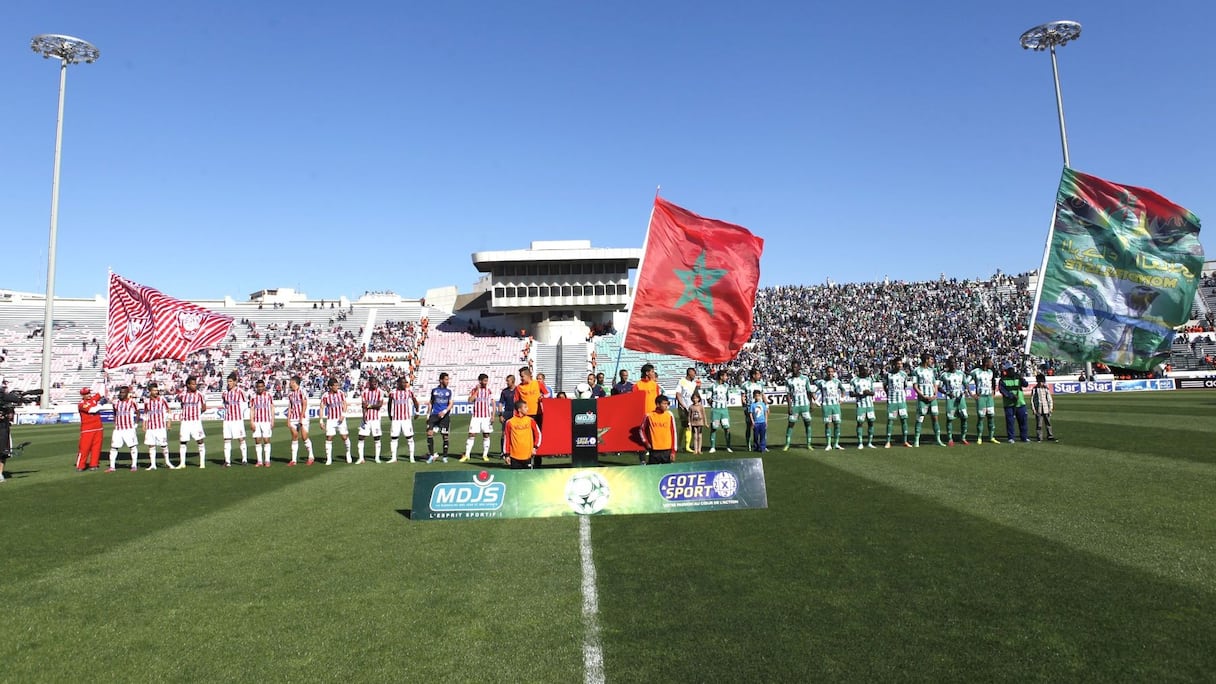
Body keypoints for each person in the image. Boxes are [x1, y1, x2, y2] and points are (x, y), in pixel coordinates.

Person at [912, 353, 944, 448]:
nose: (932, 361)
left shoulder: (931, 370)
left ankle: (938, 439)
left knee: (935, 417)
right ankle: (916, 440)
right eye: (931, 359)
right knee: (920, 418)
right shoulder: (916, 370)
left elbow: (934, 383)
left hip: (932, 398)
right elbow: (915, 385)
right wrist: (922, 395)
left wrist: (935, 394)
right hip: (923, 399)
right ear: (926, 360)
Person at [106, 385, 140, 472]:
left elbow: (138, 412)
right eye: (120, 392)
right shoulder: (115, 402)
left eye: (123, 392)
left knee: (132, 447)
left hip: (128, 428)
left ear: (127, 393)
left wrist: (136, 423)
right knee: (114, 447)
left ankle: (134, 465)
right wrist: (115, 422)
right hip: (118, 429)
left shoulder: (132, 402)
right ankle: (112, 466)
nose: (121, 394)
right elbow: (114, 413)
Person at [463, 373, 495, 462]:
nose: (486, 382)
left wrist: (493, 416)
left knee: (486, 434)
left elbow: (493, 403)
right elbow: (470, 401)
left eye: (487, 381)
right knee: (471, 434)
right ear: (480, 381)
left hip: (486, 417)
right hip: (476, 416)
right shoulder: (474, 390)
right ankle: (467, 455)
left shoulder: (489, 390)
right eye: (484, 381)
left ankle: (485, 455)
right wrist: (477, 391)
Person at [177, 376, 208, 469]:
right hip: (185, 422)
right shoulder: (182, 395)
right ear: (188, 385)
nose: (195, 386)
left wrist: (197, 414)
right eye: (193, 384)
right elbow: (182, 405)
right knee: (183, 441)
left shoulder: (199, 394)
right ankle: (182, 463)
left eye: (195, 384)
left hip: (195, 421)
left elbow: (204, 407)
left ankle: (202, 463)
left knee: (200, 440)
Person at [388, 376, 420, 463]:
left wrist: (417, 412)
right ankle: (394, 457)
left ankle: (411, 457)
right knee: (394, 438)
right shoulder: (393, 392)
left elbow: (415, 401)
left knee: (409, 437)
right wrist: (389, 414)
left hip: (406, 419)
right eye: (403, 382)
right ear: (398, 383)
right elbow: (389, 403)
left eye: (405, 382)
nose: (405, 384)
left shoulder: (409, 392)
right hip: (396, 419)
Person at [784, 362, 815, 451]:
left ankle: (809, 444)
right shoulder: (789, 380)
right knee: (790, 424)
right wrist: (789, 407)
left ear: (799, 368)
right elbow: (788, 395)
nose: (794, 369)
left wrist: (811, 403)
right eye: (793, 367)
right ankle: (787, 444)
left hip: (805, 405)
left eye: (796, 367)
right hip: (795, 406)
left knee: (807, 424)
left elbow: (809, 391)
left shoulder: (805, 378)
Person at [938, 357, 969, 446]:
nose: (953, 364)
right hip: (950, 399)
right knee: (950, 419)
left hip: (960, 399)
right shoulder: (944, 375)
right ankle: (950, 439)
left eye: (954, 362)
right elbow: (939, 387)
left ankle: (963, 438)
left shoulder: (961, 374)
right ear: (948, 364)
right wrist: (947, 393)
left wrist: (964, 391)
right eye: (951, 363)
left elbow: (966, 384)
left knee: (964, 417)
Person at [968, 358, 999, 445]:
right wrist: (971, 393)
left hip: (989, 397)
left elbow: (993, 381)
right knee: (981, 417)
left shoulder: (991, 372)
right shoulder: (975, 372)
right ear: (985, 363)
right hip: (981, 397)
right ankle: (979, 437)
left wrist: (993, 390)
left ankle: (991, 437)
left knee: (991, 416)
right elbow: (966, 382)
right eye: (990, 362)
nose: (992, 364)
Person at [285, 375, 315, 465]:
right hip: (293, 417)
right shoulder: (290, 394)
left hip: (302, 417)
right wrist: (288, 419)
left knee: (304, 437)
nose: (289, 383)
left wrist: (301, 417)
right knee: (294, 436)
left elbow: (304, 404)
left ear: (294, 382)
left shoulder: (302, 391)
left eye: (291, 381)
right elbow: (290, 407)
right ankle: (293, 460)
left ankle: (311, 456)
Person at [321, 377, 351, 465]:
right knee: (329, 438)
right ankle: (329, 458)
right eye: (335, 385)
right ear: (330, 387)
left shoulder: (340, 393)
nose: (337, 387)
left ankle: (348, 453)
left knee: (344, 437)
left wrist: (343, 414)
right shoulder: (325, 396)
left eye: (337, 385)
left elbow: (345, 404)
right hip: (331, 419)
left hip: (340, 419)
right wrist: (321, 421)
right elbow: (321, 408)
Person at [504, 400, 542, 469]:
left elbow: (538, 434)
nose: (527, 409)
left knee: (528, 478)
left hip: (528, 455)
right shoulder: (510, 422)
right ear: (519, 409)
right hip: (514, 456)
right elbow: (507, 439)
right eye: (525, 407)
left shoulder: (530, 420)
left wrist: (535, 447)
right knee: (515, 478)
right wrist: (507, 455)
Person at [221, 373, 249, 466]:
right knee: (227, 439)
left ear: (235, 382)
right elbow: (225, 405)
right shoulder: (225, 393)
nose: (229, 383)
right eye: (228, 381)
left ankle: (244, 460)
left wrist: (241, 414)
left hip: (237, 419)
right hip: (227, 420)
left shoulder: (240, 392)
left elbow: (245, 403)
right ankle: (227, 461)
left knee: (241, 439)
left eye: (230, 381)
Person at [142, 382, 171, 470]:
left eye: (157, 390)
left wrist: (168, 422)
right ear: (150, 391)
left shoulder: (162, 399)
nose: (156, 392)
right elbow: (146, 413)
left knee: (164, 445)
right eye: (154, 390)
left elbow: (168, 410)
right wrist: (144, 424)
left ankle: (167, 462)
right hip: (150, 427)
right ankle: (153, 464)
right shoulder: (147, 401)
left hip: (160, 427)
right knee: (151, 445)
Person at [425, 372, 454, 463]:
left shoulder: (449, 392)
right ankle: (431, 455)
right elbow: (431, 403)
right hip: (434, 415)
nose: (447, 381)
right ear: (441, 380)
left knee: (445, 436)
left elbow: (451, 404)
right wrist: (428, 415)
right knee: (429, 433)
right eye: (446, 379)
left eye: (448, 379)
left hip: (444, 417)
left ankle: (445, 456)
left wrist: (444, 411)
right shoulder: (434, 390)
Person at [999, 361, 1030, 443]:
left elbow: (1025, 384)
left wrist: (1022, 378)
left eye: (1012, 369)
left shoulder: (1018, 377)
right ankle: (1011, 437)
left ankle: (1024, 437)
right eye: (1009, 370)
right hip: (1009, 404)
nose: (1011, 371)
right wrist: (1012, 396)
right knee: (1010, 422)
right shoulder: (1002, 380)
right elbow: (1003, 391)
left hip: (1020, 403)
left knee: (1023, 421)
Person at [883, 360, 911, 448]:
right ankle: (888, 441)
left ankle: (905, 441)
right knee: (890, 420)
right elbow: (884, 386)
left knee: (904, 419)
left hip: (902, 401)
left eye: (901, 364)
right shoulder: (888, 374)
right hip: (892, 401)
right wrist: (889, 393)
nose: (900, 365)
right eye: (898, 364)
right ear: (894, 364)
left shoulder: (904, 374)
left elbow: (905, 386)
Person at [641, 394, 677, 464]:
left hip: (667, 449)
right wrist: (646, 442)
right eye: (664, 403)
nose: (666, 405)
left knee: (667, 471)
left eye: (667, 403)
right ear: (658, 404)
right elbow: (641, 430)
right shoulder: (649, 415)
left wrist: (673, 451)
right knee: (652, 472)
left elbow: (674, 433)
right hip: (654, 450)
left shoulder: (669, 415)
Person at [815, 366, 845, 450]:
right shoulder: (821, 382)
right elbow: (813, 391)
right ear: (826, 372)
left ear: (834, 372)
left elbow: (843, 390)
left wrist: (842, 398)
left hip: (836, 405)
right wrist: (816, 401)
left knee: (837, 424)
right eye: (828, 371)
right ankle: (828, 444)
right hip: (826, 405)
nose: (830, 373)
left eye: (831, 371)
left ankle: (836, 444)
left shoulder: (837, 381)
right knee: (828, 424)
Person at [357, 377, 385, 464]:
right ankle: (361, 458)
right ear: (369, 383)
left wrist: (369, 406)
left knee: (377, 437)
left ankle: (377, 458)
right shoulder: (365, 392)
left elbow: (379, 405)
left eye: (376, 383)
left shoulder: (380, 392)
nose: (374, 384)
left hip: (376, 419)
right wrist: (364, 415)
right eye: (373, 383)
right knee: (361, 437)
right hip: (367, 418)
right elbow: (363, 405)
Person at [76, 388, 104, 471]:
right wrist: (101, 404)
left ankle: (94, 464)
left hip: (98, 427)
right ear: (82, 395)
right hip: (87, 429)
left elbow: (101, 393)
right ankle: (81, 465)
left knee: (96, 447)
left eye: (89, 393)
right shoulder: (81, 404)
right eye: (86, 394)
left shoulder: (93, 399)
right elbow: (92, 410)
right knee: (84, 448)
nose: (89, 395)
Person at [249, 379, 275, 467]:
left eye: (261, 387)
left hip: (266, 420)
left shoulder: (268, 395)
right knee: (257, 440)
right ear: (256, 387)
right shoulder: (253, 396)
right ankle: (259, 461)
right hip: (256, 421)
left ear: (264, 387)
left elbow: (272, 407)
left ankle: (267, 460)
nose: (260, 388)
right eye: (258, 387)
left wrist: (272, 420)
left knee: (266, 439)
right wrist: (251, 421)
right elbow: (252, 409)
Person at [851, 365, 878, 449]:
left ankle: (869, 442)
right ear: (860, 370)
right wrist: (861, 393)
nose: (867, 372)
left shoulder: (870, 379)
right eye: (865, 370)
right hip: (860, 405)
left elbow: (873, 392)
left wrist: (868, 392)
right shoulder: (854, 380)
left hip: (870, 405)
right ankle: (860, 442)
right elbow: (851, 394)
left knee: (871, 422)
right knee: (860, 423)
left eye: (867, 370)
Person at [707, 369, 734, 453]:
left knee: (727, 428)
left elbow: (727, 397)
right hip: (715, 410)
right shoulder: (712, 386)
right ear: (721, 376)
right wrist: (714, 405)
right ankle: (712, 447)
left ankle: (728, 446)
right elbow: (708, 398)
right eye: (725, 376)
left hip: (724, 410)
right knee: (714, 428)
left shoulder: (726, 386)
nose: (727, 377)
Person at [675, 367, 700, 452]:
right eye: (693, 373)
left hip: (692, 407)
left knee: (690, 425)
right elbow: (678, 394)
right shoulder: (681, 381)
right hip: (683, 407)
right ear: (689, 373)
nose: (694, 375)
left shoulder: (694, 384)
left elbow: (696, 395)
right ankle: (683, 446)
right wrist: (683, 405)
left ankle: (687, 445)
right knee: (686, 425)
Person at [742, 368, 765, 451]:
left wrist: (767, 405)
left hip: (759, 409)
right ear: (753, 375)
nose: (759, 376)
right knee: (749, 426)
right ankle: (748, 444)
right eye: (758, 374)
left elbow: (763, 395)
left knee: (762, 427)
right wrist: (744, 408)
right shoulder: (745, 385)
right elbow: (743, 397)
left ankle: (762, 445)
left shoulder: (760, 384)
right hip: (749, 409)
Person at [1030, 373, 1056, 442]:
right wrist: (1033, 409)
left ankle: (1050, 435)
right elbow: (1032, 400)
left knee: (1048, 423)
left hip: (1046, 409)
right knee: (1039, 424)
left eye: (1041, 381)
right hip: (1038, 409)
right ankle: (1039, 437)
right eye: (1039, 381)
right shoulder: (1035, 389)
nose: (1040, 383)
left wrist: (1051, 408)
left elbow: (1049, 399)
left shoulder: (1046, 389)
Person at [497, 374, 517, 457]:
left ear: (513, 381)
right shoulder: (504, 391)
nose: (507, 382)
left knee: (515, 433)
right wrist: (501, 415)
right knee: (504, 433)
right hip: (507, 413)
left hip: (516, 413)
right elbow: (501, 403)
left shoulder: (518, 390)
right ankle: (503, 452)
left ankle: (514, 451)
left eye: (508, 381)